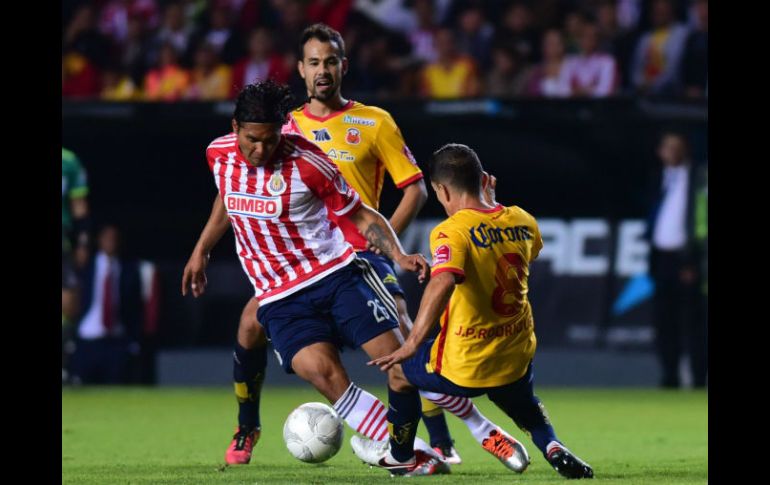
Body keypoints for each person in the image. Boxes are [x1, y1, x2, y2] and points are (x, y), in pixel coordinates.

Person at [182, 23, 463, 465]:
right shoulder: (225, 151)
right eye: (314, 62)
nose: (260, 150)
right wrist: (202, 248)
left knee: (403, 353)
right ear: (301, 69)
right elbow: (228, 192)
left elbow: (377, 206)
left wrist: (394, 251)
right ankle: (248, 426)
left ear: (343, 66)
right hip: (281, 284)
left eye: (330, 61)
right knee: (255, 330)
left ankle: (455, 436)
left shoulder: (328, 145)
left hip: (343, 264)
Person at [354, 143, 595, 479]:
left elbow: (443, 283)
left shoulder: (451, 231)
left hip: (465, 363)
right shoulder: (523, 219)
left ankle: (400, 454)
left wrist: (411, 344)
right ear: (484, 180)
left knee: (401, 373)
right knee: (525, 407)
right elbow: (516, 248)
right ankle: (552, 446)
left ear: (439, 189)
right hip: (514, 356)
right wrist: (493, 206)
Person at [646, 132, 707, 388]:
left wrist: (692, 260)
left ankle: (697, 378)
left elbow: (700, 221)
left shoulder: (699, 178)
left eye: (675, 147)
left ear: (685, 150)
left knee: (694, 321)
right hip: (662, 260)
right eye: (665, 147)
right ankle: (669, 376)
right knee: (664, 320)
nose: (668, 152)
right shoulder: (661, 178)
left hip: (688, 260)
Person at [71, 225, 143, 385]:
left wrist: (134, 341)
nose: (111, 241)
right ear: (99, 240)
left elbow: (136, 309)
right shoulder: (85, 266)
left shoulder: (129, 269)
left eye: (114, 238)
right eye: (107, 237)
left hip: (116, 341)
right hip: (87, 339)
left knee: (117, 389)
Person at [62, 147, 91, 383]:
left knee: (69, 303)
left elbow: (79, 207)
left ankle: (66, 364)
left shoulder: (69, 161)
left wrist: (82, 243)